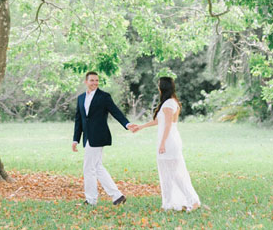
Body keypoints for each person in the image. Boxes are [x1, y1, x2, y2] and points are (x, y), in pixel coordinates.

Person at [133, 76, 200, 211]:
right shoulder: (169, 102)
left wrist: (162, 143)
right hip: (167, 140)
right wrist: (140, 127)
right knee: (166, 174)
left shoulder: (169, 104)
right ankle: (168, 203)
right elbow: (159, 121)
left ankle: (192, 200)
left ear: (161, 87)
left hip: (169, 141)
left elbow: (168, 125)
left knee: (174, 173)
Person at [72, 71, 138, 205]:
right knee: (97, 167)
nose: (95, 83)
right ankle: (117, 196)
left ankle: (91, 200)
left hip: (99, 136)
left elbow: (115, 111)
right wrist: (75, 139)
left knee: (88, 168)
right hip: (87, 138)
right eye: (92, 80)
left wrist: (127, 124)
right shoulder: (80, 98)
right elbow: (79, 120)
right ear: (86, 82)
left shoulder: (104, 97)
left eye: (96, 80)